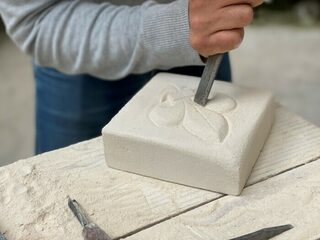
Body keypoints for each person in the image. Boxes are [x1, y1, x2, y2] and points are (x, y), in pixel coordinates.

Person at [0, 0, 263, 153]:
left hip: (206, 34)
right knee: (64, 206)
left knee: (213, 179)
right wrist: (176, 28)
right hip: (78, 53)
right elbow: (35, 19)